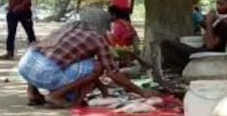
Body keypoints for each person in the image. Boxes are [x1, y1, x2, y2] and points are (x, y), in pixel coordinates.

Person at [18, 21, 155, 107]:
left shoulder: (73, 28)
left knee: (47, 52)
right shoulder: (98, 40)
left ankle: (32, 92)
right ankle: (55, 95)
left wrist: (103, 90)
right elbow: (112, 73)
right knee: (97, 66)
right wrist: (142, 92)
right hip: (46, 72)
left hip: (26, 64)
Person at [160, 0, 227, 72]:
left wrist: (209, 23)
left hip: (211, 55)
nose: (217, 7)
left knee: (166, 45)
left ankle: (184, 69)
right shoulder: (221, 19)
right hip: (203, 49)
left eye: (221, 4)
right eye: (217, 3)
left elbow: (211, 46)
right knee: (172, 44)